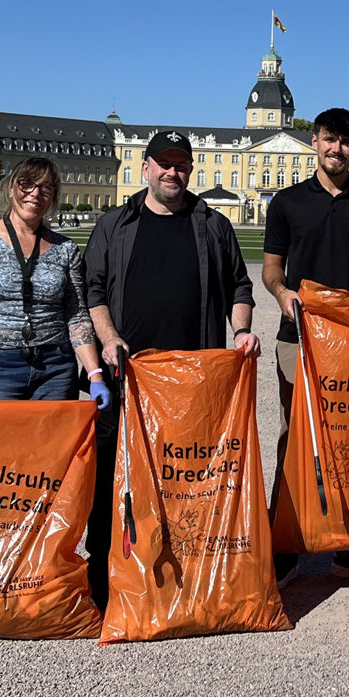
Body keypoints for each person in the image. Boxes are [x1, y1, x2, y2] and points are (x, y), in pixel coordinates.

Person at [83, 130, 259, 608]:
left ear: (189, 170)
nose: (172, 172)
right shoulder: (115, 224)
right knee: (110, 477)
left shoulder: (212, 225)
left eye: (181, 164)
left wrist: (240, 331)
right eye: (164, 163)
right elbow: (93, 291)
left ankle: (188, 578)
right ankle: (104, 577)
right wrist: (110, 340)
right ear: (146, 168)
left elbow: (240, 289)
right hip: (126, 375)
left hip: (193, 380)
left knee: (188, 479)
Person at [262, 108, 349, 590]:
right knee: (293, 439)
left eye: (345, 141)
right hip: (297, 338)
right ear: (314, 142)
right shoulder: (287, 202)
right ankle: (285, 545)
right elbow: (271, 271)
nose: (335, 148)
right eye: (327, 139)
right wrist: (284, 297)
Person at [0, 157, 108, 410]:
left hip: (56, 365)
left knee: (53, 449)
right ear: (10, 188)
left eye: (45, 187)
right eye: (27, 184)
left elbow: (76, 315)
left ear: (53, 196)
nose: (35, 194)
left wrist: (95, 374)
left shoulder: (65, 248)